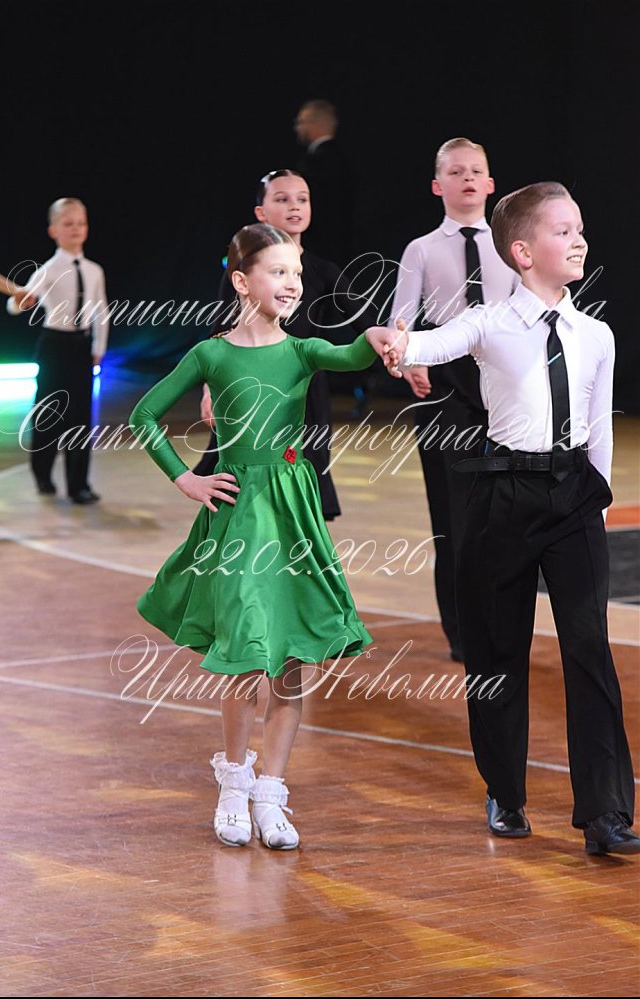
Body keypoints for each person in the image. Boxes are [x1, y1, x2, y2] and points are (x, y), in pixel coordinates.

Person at [368, 182, 639, 856]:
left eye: (580, 228)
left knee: (589, 649)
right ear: (522, 251)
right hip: (503, 495)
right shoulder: (488, 322)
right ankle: (505, 791)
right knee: (496, 650)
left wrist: (598, 499)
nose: (579, 240)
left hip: (574, 496)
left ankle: (605, 812)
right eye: (562, 230)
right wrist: (395, 343)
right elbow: (429, 345)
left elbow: (600, 424)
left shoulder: (595, 334)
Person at [130, 223, 393, 851]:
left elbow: (351, 355)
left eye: (296, 273)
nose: (292, 283)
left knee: (292, 657)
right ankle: (233, 784)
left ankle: (271, 791)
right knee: (247, 652)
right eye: (279, 271)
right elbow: (143, 415)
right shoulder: (212, 355)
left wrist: (374, 338)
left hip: (294, 514)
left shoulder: (302, 350)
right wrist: (186, 479)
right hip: (240, 516)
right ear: (242, 281)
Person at [390, 137, 517, 662]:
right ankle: (463, 633)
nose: (467, 178)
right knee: (454, 516)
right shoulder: (421, 249)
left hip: (504, 379)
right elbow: (401, 319)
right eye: (456, 171)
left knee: (507, 510)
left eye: (475, 170)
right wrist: (410, 358)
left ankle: (505, 623)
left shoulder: (512, 244)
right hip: (445, 382)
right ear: (437, 185)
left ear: (490, 183)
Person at [194, 168, 378, 521]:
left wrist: (399, 349)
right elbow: (221, 329)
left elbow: (367, 323)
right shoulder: (243, 270)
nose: (294, 206)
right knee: (242, 495)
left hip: (303, 395)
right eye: (282, 199)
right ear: (261, 212)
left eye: (302, 199)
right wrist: (209, 390)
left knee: (303, 490)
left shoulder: (323, 271)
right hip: (248, 390)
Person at [6, 197, 109, 504]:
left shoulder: (94, 270)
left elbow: (101, 310)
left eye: (81, 223)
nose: (76, 229)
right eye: (68, 224)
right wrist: (20, 302)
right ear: (53, 230)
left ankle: (79, 485)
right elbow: (17, 302)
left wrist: (99, 345)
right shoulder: (48, 270)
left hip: (81, 347)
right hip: (55, 346)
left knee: (81, 416)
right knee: (48, 413)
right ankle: (42, 473)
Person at [294, 100, 354, 265]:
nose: (297, 128)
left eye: (301, 122)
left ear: (316, 124)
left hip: (318, 252)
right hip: (344, 251)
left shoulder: (315, 164)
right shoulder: (345, 161)